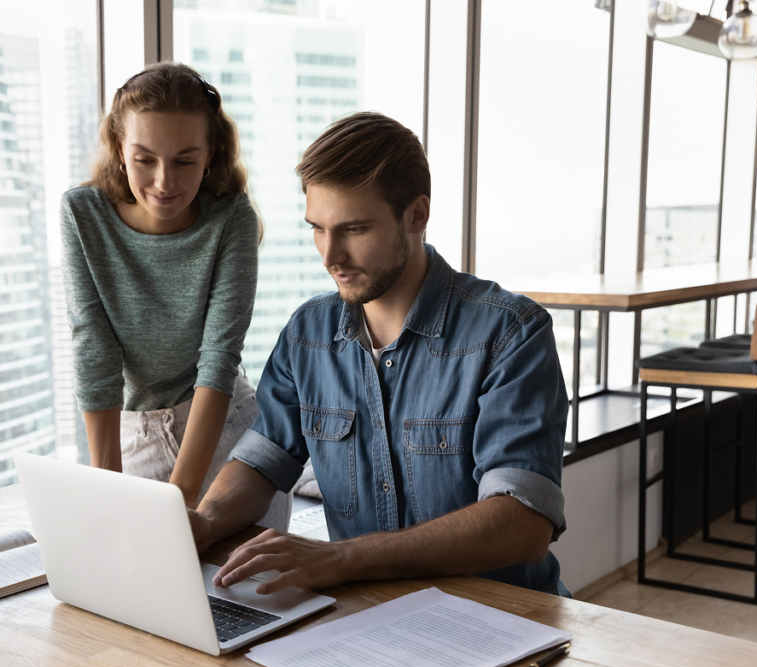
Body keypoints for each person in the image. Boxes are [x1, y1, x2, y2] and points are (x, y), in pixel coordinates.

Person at [189, 112, 569, 596]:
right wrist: (205, 521)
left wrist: (341, 558)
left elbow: (523, 523)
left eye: (353, 229)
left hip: (502, 619)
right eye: (318, 229)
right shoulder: (307, 334)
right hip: (366, 616)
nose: (329, 256)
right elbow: (262, 463)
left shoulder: (511, 334)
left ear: (416, 215)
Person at [59, 62, 290, 528]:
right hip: (133, 436)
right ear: (120, 151)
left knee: (243, 599)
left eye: (185, 161)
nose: (165, 182)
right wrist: (107, 487)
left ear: (210, 156)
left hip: (225, 435)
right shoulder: (83, 214)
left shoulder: (231, 219)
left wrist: (180, 498)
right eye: (145, 159)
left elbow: (219, 357)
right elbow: (94, 350)